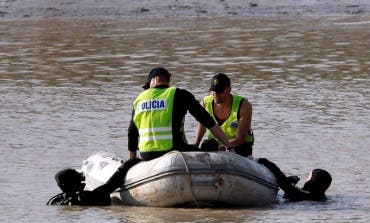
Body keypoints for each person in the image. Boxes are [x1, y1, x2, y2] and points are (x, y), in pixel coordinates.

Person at [128, 67, 232, 161]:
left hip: (146, 155)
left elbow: (132, 132)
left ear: (156, 79)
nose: (149, 89)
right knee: (210, 145)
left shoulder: (139, 100)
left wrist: (132, 161)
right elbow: (206, 120)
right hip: (174, 152)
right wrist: (229, 146)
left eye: (148, 85)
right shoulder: (179, 94)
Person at [193, 73, 254, 157]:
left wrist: (220, 149)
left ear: (229, 89)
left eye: (219, 91)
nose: (215, 94)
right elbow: (202, 127)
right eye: (213, 91)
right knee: (206, 144)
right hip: (215, 147)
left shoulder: (244, 106)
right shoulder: (205, 103)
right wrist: (196, 145)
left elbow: (240, 140)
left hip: (239, 148)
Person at [47, 158, 141, 205]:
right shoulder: (84, 197)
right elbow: (111, 185)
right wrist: (129, 163)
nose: (83, 181)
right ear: (73, 183)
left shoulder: (58, 201)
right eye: (79, 179)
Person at [257, 158, 332, 201]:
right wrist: (291, 183)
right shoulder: (319, 197)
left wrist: (264, 161)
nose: (306, 177)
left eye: (309, 176)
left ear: (314, 180)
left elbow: (283, 182)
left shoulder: (306, 194)